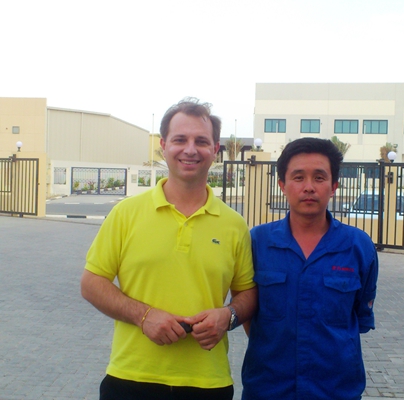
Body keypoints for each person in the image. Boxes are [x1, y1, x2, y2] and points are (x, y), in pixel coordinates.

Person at [81, 97, 257, 400]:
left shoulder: (234, 224)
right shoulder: (125, 213)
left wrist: (227, 316)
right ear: (163, 145)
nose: (190, 149)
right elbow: (91, 283)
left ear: (215, 149)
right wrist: (144, 316)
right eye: (180, 139)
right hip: (130, 378)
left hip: (208, 383)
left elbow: (248, 294)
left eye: (201, 141)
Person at [241, 137, 378, 400]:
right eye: (298, 177)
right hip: (269, 389)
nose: (309, 187)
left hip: (336, 390)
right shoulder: (257, 242)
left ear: (334, 186)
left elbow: (360, 316)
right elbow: (248, 310)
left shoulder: (358, 246)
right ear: (282, 185)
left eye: (319, 177)